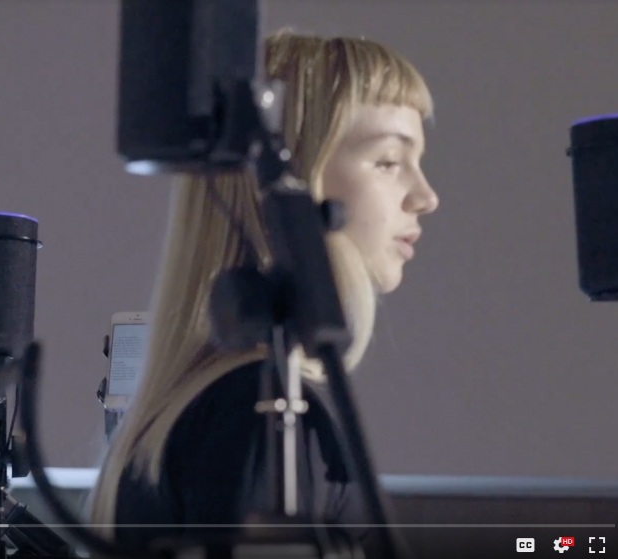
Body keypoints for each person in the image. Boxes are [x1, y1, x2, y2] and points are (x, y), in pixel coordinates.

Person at [87, 28, 439, 558]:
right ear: (286, 183)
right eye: (389, 161)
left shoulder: (213, 408)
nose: (425, 196)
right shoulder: (263, 415)